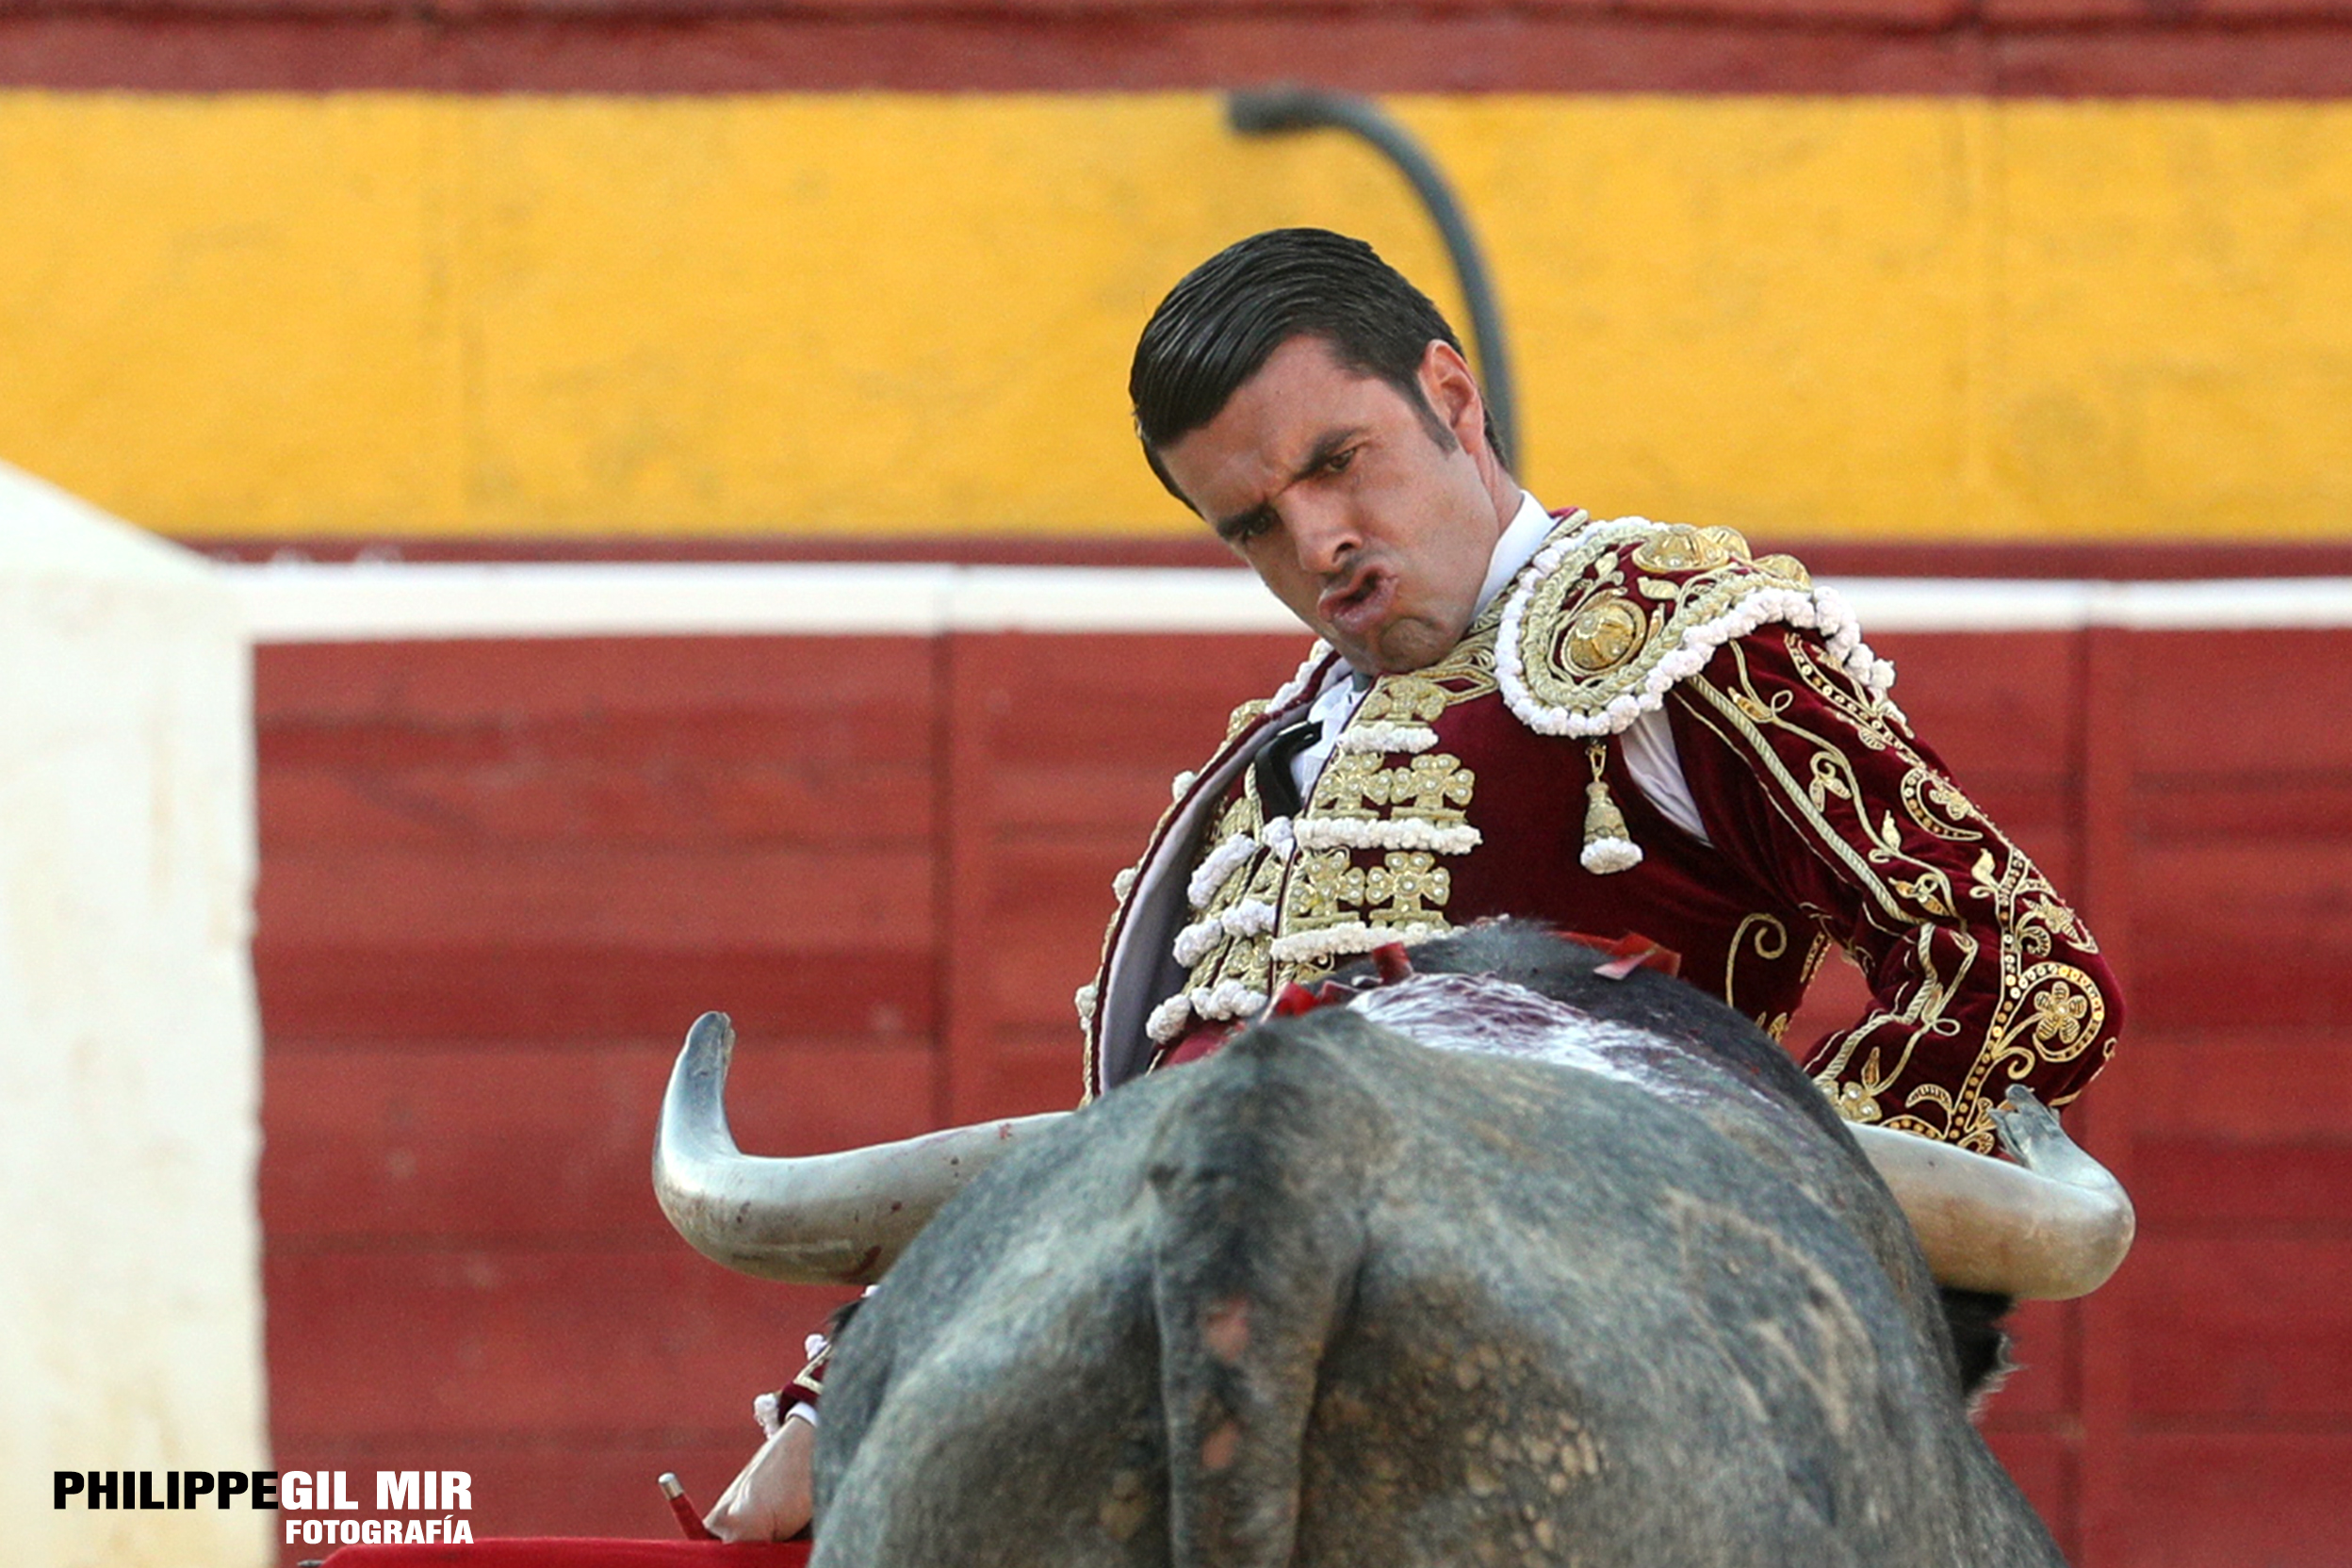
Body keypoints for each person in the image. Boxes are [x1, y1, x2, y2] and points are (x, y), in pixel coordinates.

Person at [705, 225, 2123, 1540]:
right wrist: (861, 1380)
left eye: (1339, 461)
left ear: (1452, 396)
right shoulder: (1261, 765)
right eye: (1253, 523)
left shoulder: (1667, 642)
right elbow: (1132, 1152)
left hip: (1609, 1309)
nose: (1315, 544)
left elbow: (2018, 968)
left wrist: (1769, 1232)